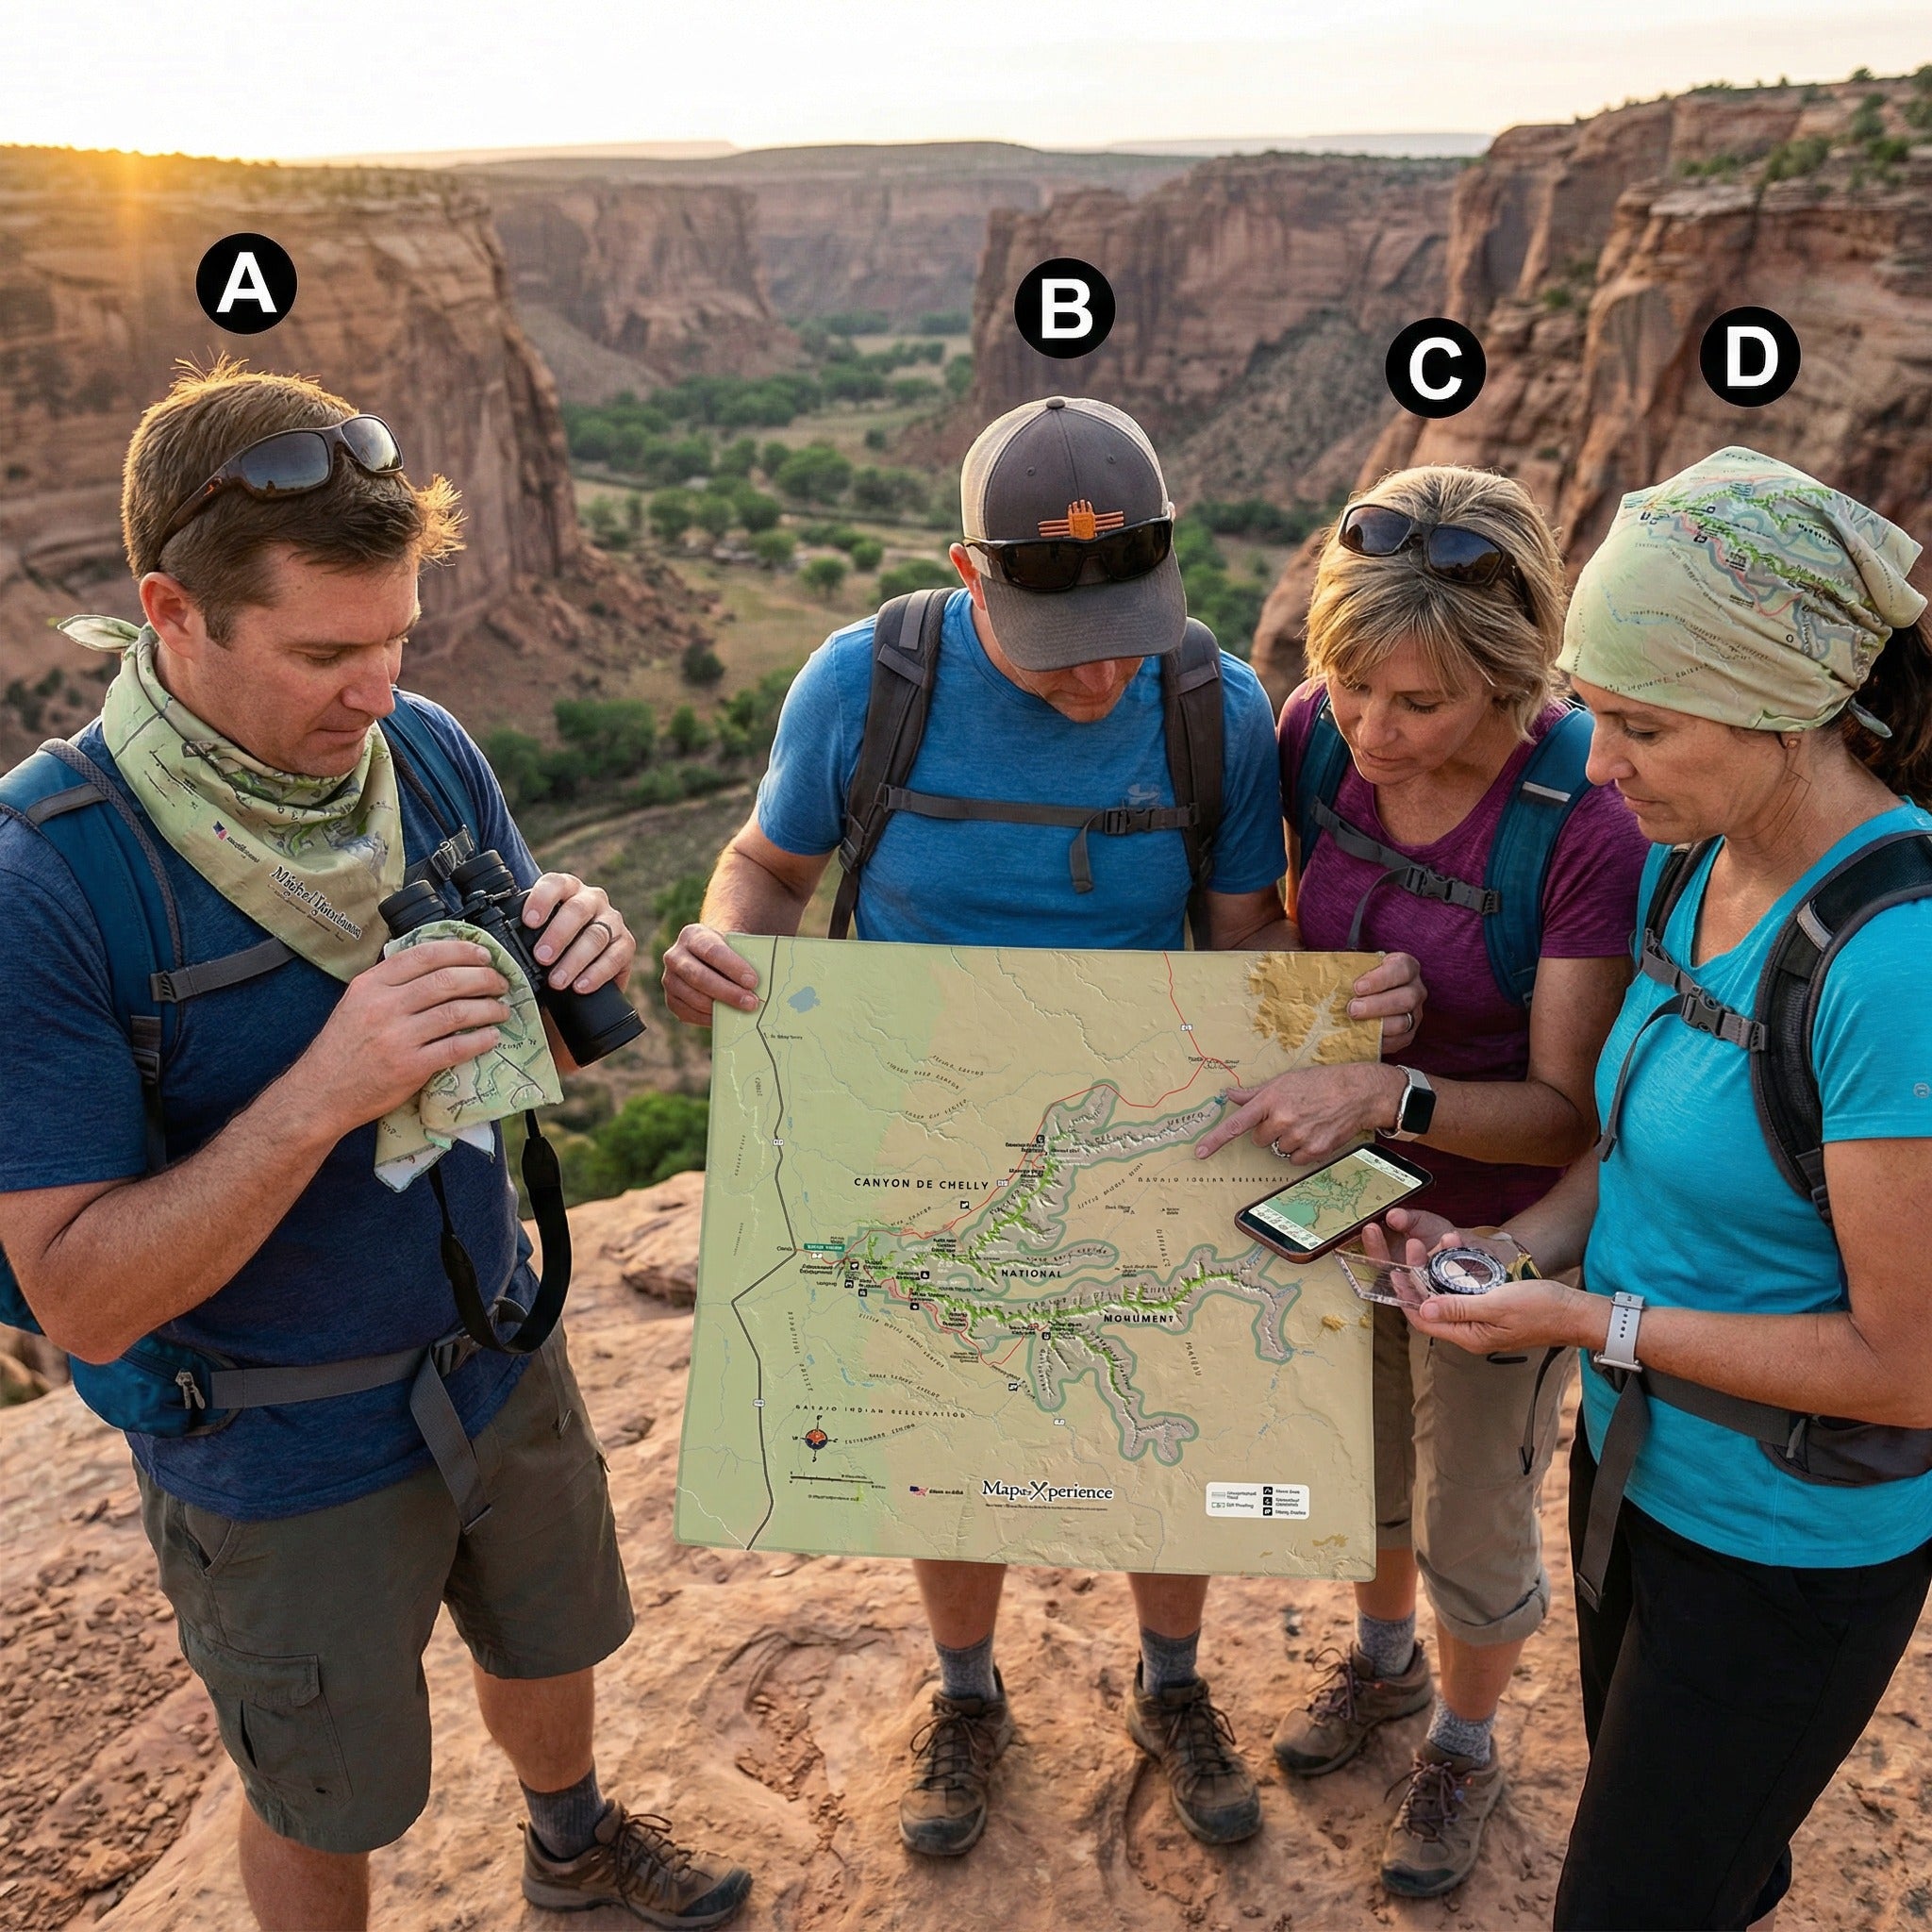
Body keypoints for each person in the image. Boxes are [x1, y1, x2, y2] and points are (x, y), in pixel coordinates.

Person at [0, 363, 753, 1932]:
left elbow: (527, 1050)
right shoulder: (50, 882)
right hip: (279, 1446)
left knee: (553, 1641)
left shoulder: (422, 750)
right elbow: (77, 1300)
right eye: (327, 652)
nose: (374, 692)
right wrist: (324, 1089)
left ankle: (572, 1847)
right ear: (173, 611)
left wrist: (581, 959)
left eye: (401, 638)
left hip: (494, 1342)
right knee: (327, 1789)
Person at [662, 394, 1424, 1861]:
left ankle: (1173, 1682)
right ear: (970, 576)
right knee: (948, 1424)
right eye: (1070, 648)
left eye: (1132, 631)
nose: (1106, 675)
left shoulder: (1205, 703)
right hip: (918, 1123)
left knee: (1162, 1404)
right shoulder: (863, 683)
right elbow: (764, 868)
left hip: (1145, 1121)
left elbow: (1240, 928)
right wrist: (724, 948)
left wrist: (1324, 1035)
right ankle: (967, 1694)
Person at [1367, 447, 1932, 1930]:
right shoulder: (1702, 861)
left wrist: (1589, 1319)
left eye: (1641, 727)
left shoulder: (1899, 967)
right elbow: (1622, 1152)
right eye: (1596, 716)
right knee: (1698, 1861)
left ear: (1791, 714)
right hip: (1640, 1484)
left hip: (1787, 1547)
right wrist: (1510, 1244)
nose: (1598, 768)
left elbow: (1907, 1362)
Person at [1193, 464, 1648, 1896]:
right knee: (1362, 1452)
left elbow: (1572, 1117)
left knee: (1473, 1492)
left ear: (1514, 685)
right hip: (1349, 1188)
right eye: (1349, 684)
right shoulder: (1315, 739)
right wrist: (1323, 996)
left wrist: (1398, 1085)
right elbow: (1263, 933)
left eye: (1419, 705)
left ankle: (1463, 1736)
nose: (1370, 733)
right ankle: (1385, 1663)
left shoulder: (1586, 824)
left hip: (1502, 1223)